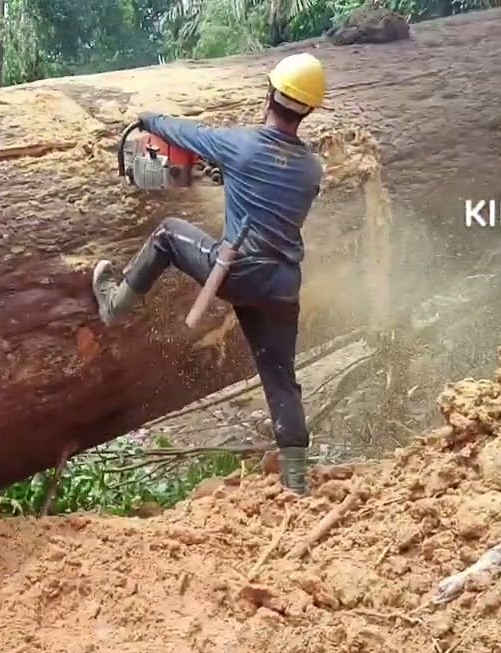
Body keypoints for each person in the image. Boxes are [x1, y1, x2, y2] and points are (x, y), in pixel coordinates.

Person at [90, 53, 327, 495]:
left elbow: (187, 135)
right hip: (282, 286)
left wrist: (149, 118)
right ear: (310, 110)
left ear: (270, 94)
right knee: (280, 376)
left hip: (238, 271)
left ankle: (114, 305)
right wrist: (229, 175)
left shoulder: (241, 145)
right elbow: (273, 184)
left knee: (167, 233)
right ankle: (297, 482)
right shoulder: (311, 169)